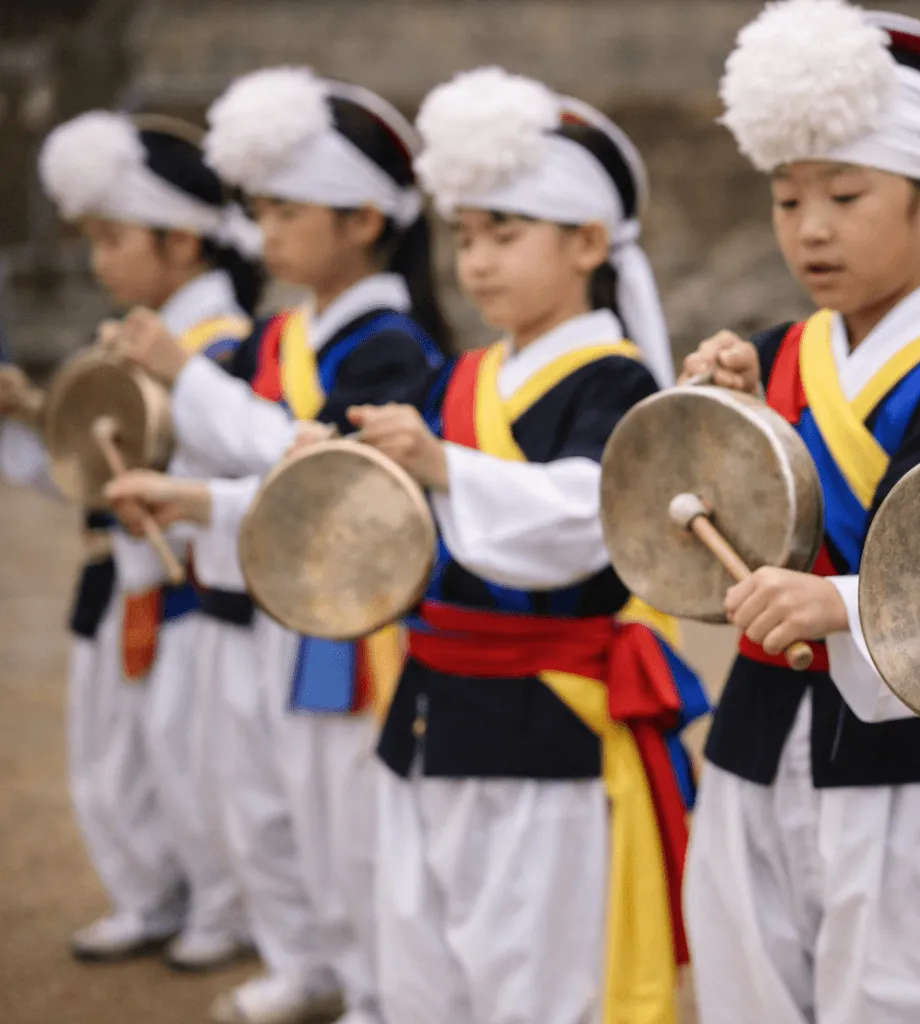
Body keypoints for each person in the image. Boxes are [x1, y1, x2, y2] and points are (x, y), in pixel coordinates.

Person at [680, 3, 920, 1021]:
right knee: (746, 977)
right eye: (787, 198)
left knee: (910, 989)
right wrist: (715, 420)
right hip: (756, 736)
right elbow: (706, 531)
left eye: (844, 195)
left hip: (913, 760)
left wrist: (838, 605)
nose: (809, 227)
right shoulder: (775, 356)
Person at [342, 67, 703, 1024]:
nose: (478, 260)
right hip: (432, 703)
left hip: (547, 720)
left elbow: (593, 513)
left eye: (505, 233)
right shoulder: (459, 379)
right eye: (465, 235)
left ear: (589, 242)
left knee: (535, 967)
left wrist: (447, 468)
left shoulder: (616, 385)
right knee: (422, 949)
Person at [109, 66, 444, 1024]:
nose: (267, 231)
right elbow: (244, 447)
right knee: (268, 798)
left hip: (350, 613)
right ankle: (308, 958)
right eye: (260, 209)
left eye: (290, 209)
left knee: (351, 812)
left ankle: (378, 989)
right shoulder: (280, 332)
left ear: (365, 220)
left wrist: (192, 396)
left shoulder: (393, 345)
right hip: (267, 598)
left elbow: (323, 478)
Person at [15, 110, 264, 967]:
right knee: (113, 754)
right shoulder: (130, 341)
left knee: (196, 761)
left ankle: (221, 908)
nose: (98, 261)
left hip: (194, 585)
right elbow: (94, 479)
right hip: (121, 582)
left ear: (184, 244)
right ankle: (146, 894)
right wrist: (33, 424)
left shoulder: (225, 347)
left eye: (114, 238)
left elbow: (235, 457)